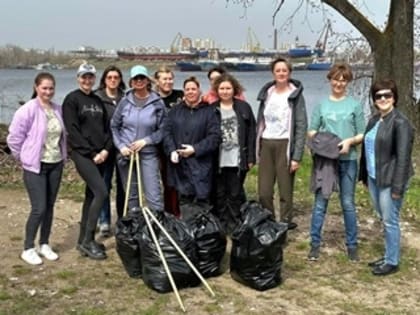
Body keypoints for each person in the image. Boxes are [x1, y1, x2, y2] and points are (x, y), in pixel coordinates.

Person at [307, 63, 365, 262]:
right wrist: (327, 145)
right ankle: (314, 244)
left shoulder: (354, 105)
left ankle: (352, 245)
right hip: (326, 162)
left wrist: (349, 141)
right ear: (330, 80)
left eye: (343, 80)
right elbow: (312, 131)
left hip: (348, 160)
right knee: (320, 203)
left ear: (347, 82)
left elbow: (361, 133)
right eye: (336, 79)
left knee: (347, 203)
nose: (339, 83)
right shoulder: (322, 105)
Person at [7, 72, 67, 265]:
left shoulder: (57, 109)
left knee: (49, 206)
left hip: (55, 163)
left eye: (51, 88)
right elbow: (14, 139)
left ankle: (44, 243)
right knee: (38, 208)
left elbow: (62, 136)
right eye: (44, 88)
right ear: (36, 87)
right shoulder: (27, 110)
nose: (48, 92)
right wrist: (24, 157)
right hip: (35, 167)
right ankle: (28, 247)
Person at [359, 79, 414, 275]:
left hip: (391, 180)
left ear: (394, 97)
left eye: (387, 95)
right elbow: (367, 150)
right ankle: (389, 253)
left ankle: (392, 261)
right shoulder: (374, 120)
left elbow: (403, 159)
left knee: (390, 220)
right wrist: (364, 176)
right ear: (374, 100)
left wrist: (398, 188)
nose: (383, 99)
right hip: (375, 177)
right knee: (384, 217)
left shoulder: (401, 123)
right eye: (378, 96)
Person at [63, 63, 112, 260]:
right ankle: (88, 240)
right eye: (83, 77)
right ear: (78, 78)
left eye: (90, 77)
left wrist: (106, 150)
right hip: (83, 155)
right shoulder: (72, 99)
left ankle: (82, 240)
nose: (87, 80)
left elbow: (107, 130)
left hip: (101, 155)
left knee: (91, 196)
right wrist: (92, 153)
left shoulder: (98, 101)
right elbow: (72, 131)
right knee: (101, 191)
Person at [256, 57, 308, 230]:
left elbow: (301, 126)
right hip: (267, 143)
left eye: (284, 70)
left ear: (289, 73)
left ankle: (285, 224)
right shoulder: (267, 94)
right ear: (273, 73)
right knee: (264, 192)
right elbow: (260, 121)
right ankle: (268, 224)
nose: (281, 73)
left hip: (285, 144)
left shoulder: (295, 96)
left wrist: (297, 156)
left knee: (285, 191)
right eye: (278, 70)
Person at [163, 76, 221, 221]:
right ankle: (188, 229)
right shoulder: (174, 111)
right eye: (187, 89)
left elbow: (214, 137)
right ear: (184, 91)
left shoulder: (209, 111)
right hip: (180, 166)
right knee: (184, 200)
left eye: (193, 89)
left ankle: (203, 232)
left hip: (201, 165)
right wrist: (171, 151)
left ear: (199, 91)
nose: (190, 92)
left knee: (202, 200)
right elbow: (167, 132)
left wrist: (195, 149)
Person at [111, 65, 165, 213]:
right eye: (136, 78)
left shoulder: (157, 102)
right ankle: (135, 228)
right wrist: (121, 146)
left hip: (148, 154)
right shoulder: (124, 101)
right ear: (131, 81)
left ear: (148, 80)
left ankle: (157, 228)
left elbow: (163, 130)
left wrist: (146, 141)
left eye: (142, 78)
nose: (139, 81)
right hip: (126, 155)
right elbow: (114, 126)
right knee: (131, 195)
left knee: (153, 195)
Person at [211, 73, 256, 233]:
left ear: (234, 89)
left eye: (228, 88)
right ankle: (222, 224)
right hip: (218, 159)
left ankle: (235, 223)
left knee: (235, 193)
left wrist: (251, 157)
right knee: (220, 193)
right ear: (217, 90)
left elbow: (252, 133)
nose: (225, 91)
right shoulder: (212, 109)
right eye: (222, 88)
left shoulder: (244, 107)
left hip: (237, 158)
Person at [95, 65, 126, 237]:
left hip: (122, 147)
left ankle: (122, 219)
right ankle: (104, 221)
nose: (113, 80)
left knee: (123, 186)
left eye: (116, 77)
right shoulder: (97, 97)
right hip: (104, 148)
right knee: (104, 185)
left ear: (120, 79)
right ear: (104, 79)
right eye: (110, 77)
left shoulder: (126, 97)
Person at [154, 66, 184, 216]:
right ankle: (167, 212)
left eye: (170, 78)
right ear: (157, 81)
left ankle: (179, 212)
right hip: (159, 145)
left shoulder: (180, 96)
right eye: (164, 79)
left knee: (178, 181)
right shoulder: (153, 98)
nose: (168, 82)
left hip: (178, 143)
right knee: (166, 181)